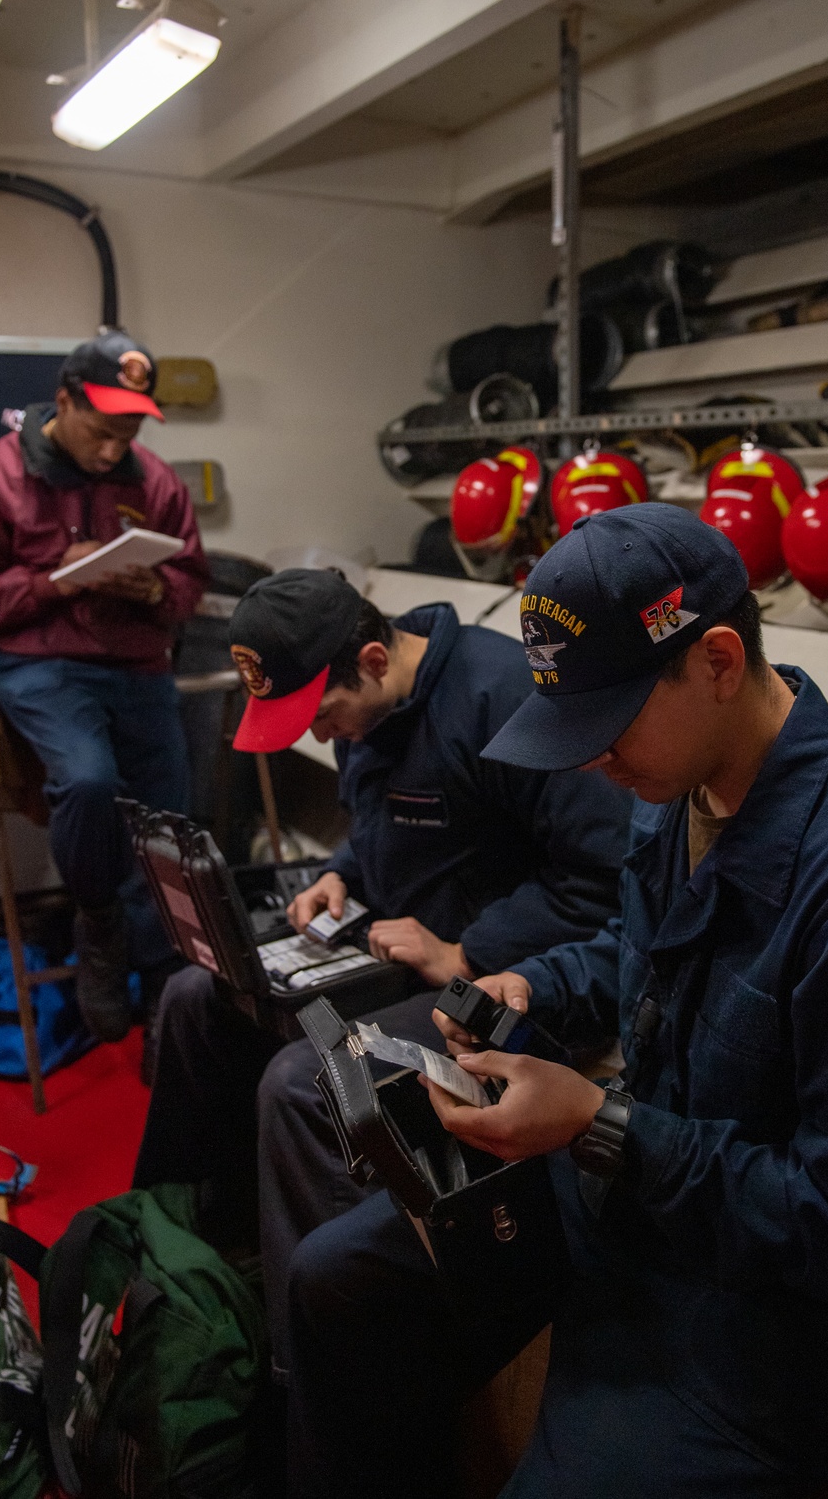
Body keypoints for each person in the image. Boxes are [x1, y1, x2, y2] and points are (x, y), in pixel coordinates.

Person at [284, 504, 828, 1499]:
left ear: (718, 660)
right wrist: (534, 984)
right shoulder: (678, 782)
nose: (590, 759)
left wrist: (602, 1125)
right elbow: (638, 948)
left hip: (780, 1309)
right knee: (337, 1280)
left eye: (608, 723)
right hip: (641, 1193)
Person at [135, 565, 633, 1371]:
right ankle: (193, 1259)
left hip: (519, 982)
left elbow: (604, 879)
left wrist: (470, 953)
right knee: (200, 996)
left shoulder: (501, 698)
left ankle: (307, 1354)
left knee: (304, 1083)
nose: (322, 738)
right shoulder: (374, 711)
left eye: (324, 714)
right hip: (403, 950)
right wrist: (345, 872)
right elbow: (388, 817)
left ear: (372, 659)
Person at [0, 331, 208, 1043]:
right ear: (63, 401)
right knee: (89, 781)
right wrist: (53, 577)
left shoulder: (154, 481)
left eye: (129, 430)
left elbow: (190, 583)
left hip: (136, 663)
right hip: (40, 664)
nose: (113, 447)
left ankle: (166, 983)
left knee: (168, 818)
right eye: (102, 428)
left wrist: (153, 583)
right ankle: (97, 923)